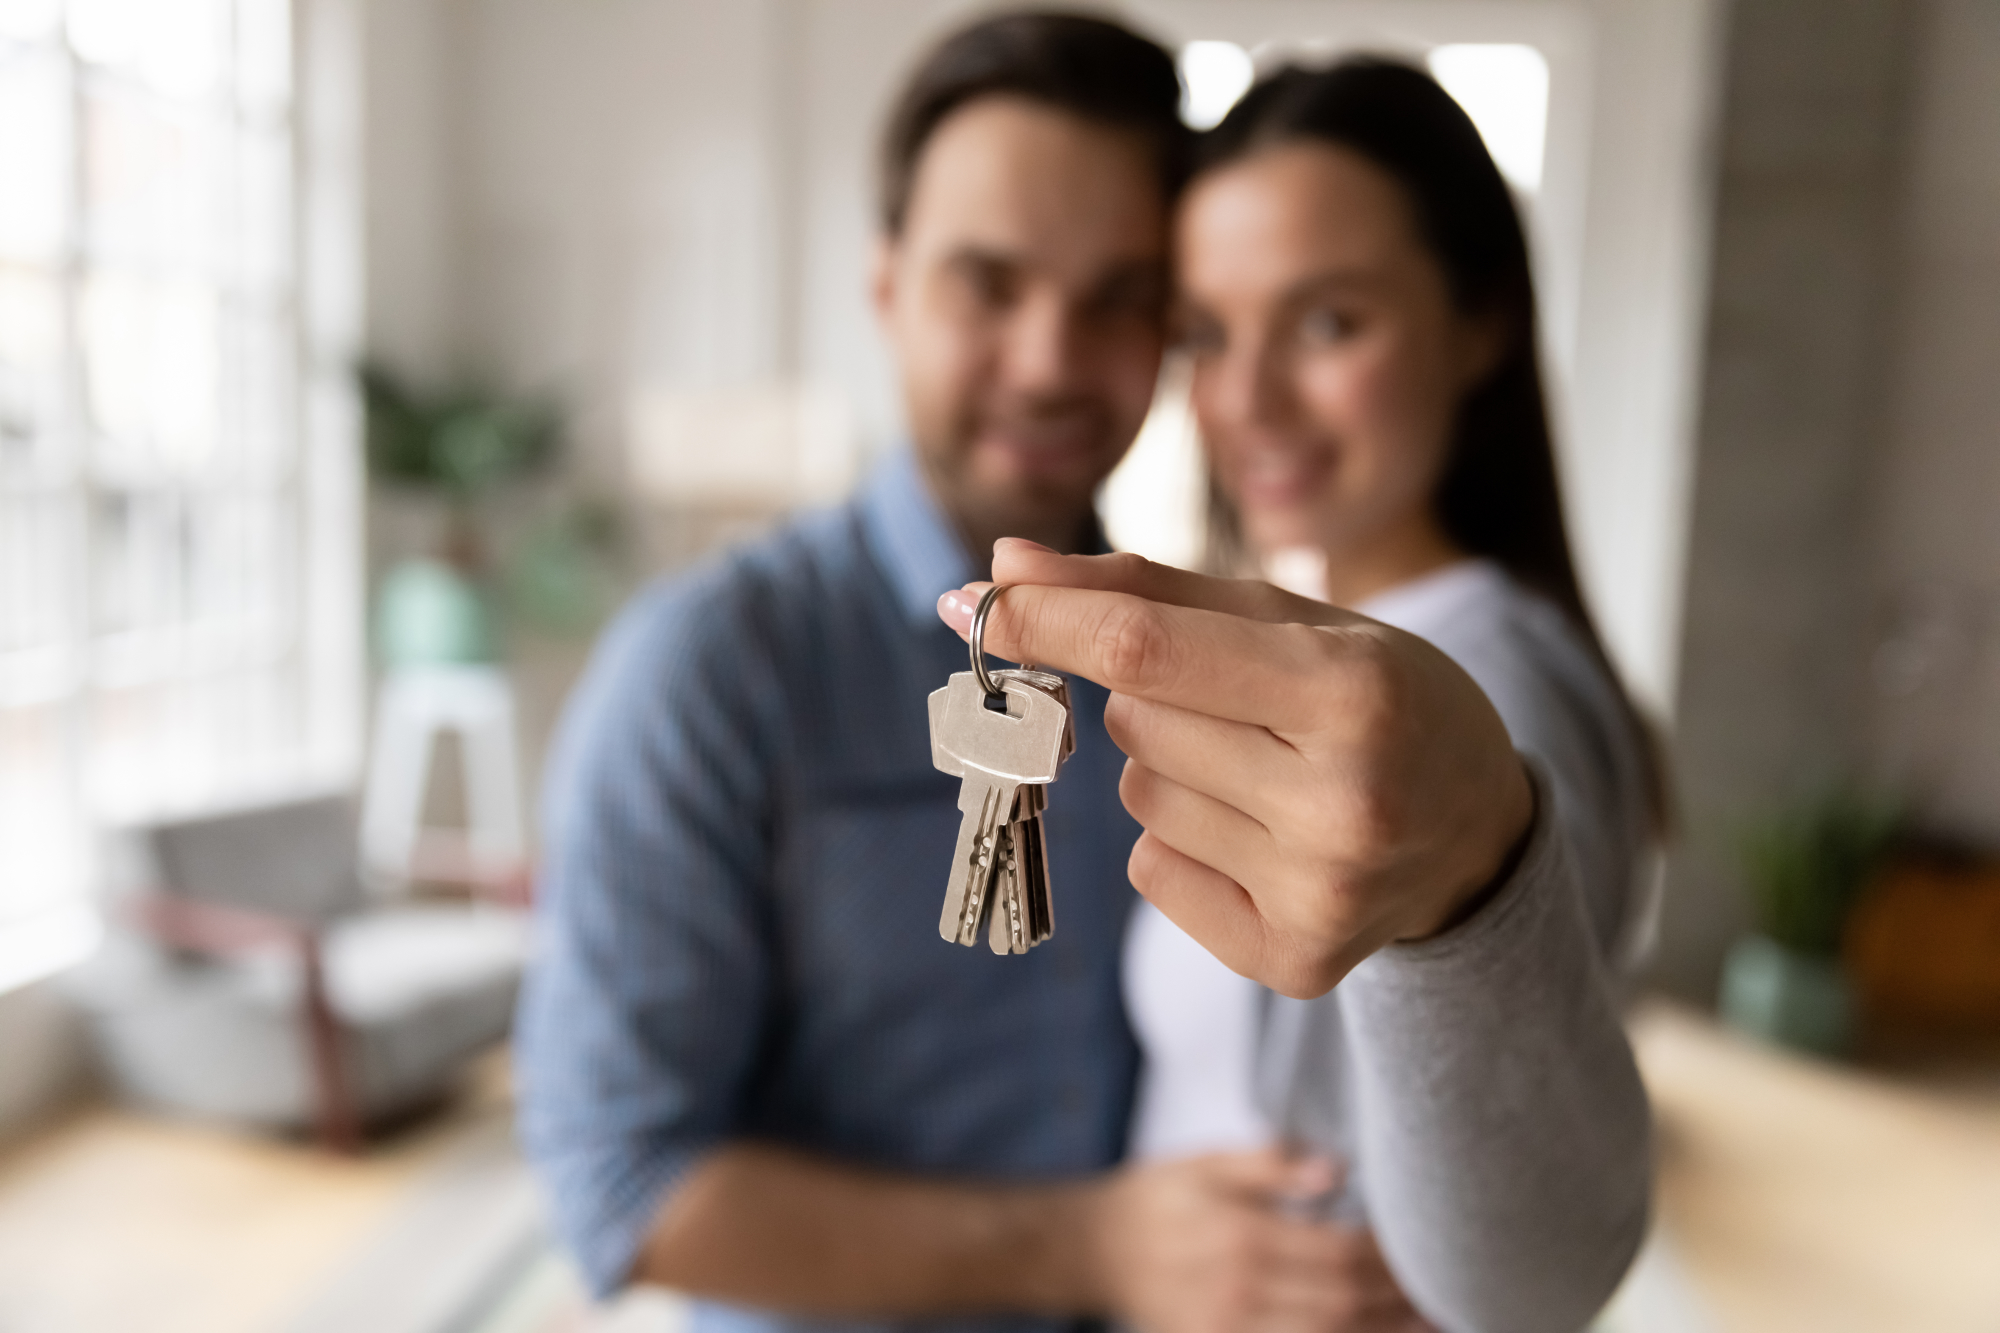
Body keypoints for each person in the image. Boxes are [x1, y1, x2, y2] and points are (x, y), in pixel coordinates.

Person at [519, 13, 1361, 1331]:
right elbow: (623, 1183)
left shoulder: (1202, 659)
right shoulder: (706, 674)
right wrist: (1091, 1249)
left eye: (1116, 300)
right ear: (887, 286)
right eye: (989, 282)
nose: (1048, 361)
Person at [937, 59, 1660, 1333]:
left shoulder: (1494, 693)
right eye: (1208, 333)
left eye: (1328, 323)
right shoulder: (1286, 640)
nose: (1247, 400)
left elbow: (1529, 1284)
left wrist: (1466, 896)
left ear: (1478, 321)